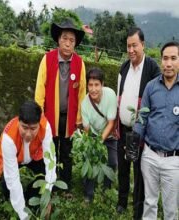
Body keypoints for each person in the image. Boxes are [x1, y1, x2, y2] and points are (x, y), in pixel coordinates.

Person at [34, 19, 86, 193]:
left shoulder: (80, 64)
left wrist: (79, 119)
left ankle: (66, 186)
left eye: (72, 40)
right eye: (65, 38)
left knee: (67, 153)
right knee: (50, 150)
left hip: (70, 118)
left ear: (75, 44)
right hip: (49, 116)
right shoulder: (47, 59)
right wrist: (38, 115)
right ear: (58, 40)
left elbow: (82, 93)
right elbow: (40, 89)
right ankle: (50, 184)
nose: (68, 43)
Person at [116, 27, 161, 217]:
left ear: (143, 45)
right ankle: (122, 201)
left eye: (134, 45)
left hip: (141, 131)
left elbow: (157, 100)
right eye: (128, 46)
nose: (131, 50)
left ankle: (138, 207)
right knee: (123, 168)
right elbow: (120, 94)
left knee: (140, 173)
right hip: (123, 128)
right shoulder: (124, 67)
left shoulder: (152, 68)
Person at [133, 41, 179, 220]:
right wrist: (135, 141)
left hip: (173, 160)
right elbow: (142, 118)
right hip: (150, 156)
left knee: (170, 208)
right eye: (165, 58)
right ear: (161, 61)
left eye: (173, 58)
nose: (168, 63)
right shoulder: (151, 87)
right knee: (149, 202)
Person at [0, 101, 56, 219]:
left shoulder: (45, 126)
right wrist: (24, 216)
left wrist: (48, 194)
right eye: (24, 128)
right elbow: (12, 178)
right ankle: (21, 206)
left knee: (44, 175)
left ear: (39, 124)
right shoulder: (9, 138)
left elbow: (50, 160)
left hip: (33, 155)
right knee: (7, 186)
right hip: (14, 157)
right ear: (19, 122)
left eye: (33, 129)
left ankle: (31, 196)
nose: (28, 134)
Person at [80, 68, 118, 202]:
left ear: (102, 84)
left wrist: (101, 140)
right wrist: (90, 144)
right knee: (90, 161)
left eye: (97, 85)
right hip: (94, 135)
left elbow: (111, 122)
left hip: (109, 134)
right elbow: (86, 129)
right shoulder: (84, 104)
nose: (93, 89)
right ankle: (88, 194)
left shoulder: (111, 95)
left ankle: (106, 189)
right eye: (90, 85)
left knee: (112, 162)